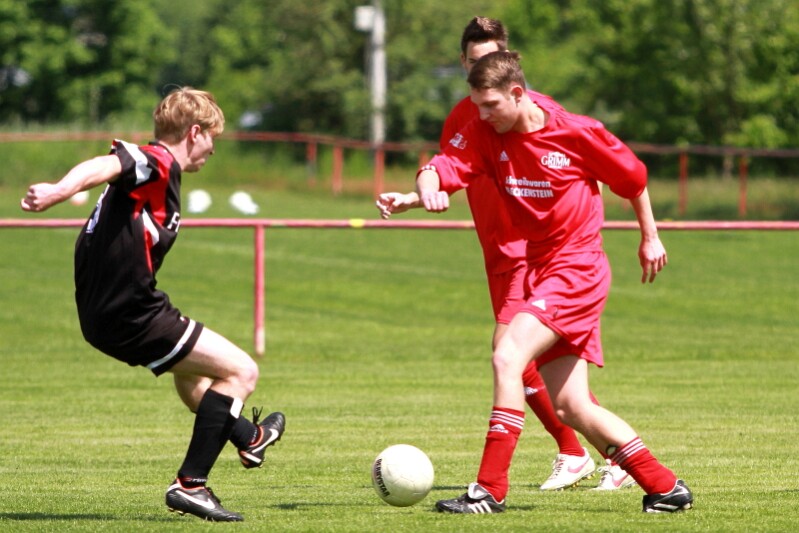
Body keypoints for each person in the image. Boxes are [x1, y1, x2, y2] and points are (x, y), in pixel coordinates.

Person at [380, 51, 693, 514]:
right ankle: (665, 487)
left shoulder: (577, 132)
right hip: (541, 271)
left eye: (490, 105)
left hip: (577, 271)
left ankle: (489, 490)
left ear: (517, 94)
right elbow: (445, 165)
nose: (482, 115)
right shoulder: (487, 134)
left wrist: (650, 236)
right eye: (476, 106)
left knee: (507, 355)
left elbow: (633, 179)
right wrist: (422, 189)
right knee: (571, 407)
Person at [20, 87, 286, 522]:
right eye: (212, 137)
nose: (213, 149)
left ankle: (249, 436)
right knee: (242, 372)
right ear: (194, 132)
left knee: (194, 376)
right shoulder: (157, 161)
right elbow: (108, 163)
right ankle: (191, 485)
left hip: (106, 315)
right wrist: (58, 191)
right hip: (131, 312)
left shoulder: (152, 175)